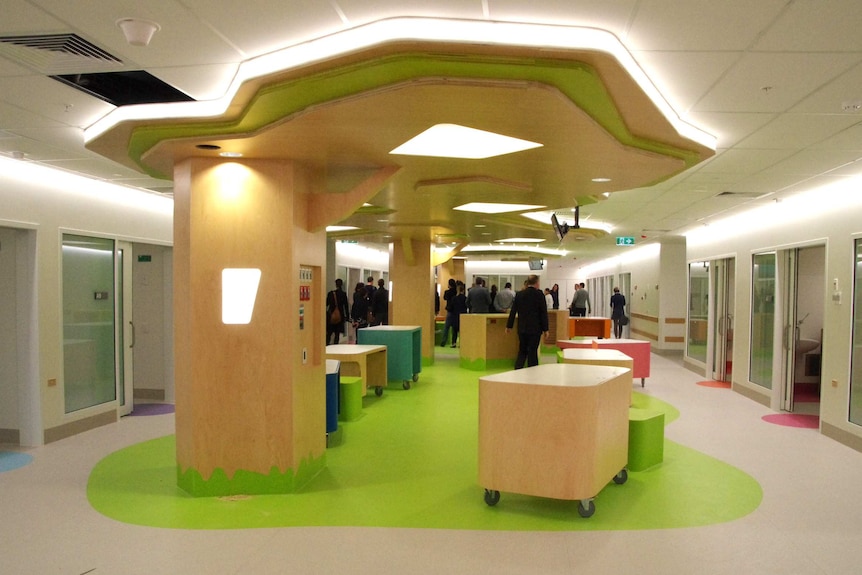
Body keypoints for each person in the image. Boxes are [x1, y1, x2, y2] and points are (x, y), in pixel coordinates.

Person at [506, 274, 549, 369]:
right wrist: (546, 329)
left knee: (522, 350)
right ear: (537, 283)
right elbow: (543, 313)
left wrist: (509, 326)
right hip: (535, 329)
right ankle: (532, 374)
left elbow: (513, 311)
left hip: (522, 328)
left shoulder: (519, 295)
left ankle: (518, 370)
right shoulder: (540, 295)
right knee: (532, 352)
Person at [326, 278, 350, 345]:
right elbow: (346, 306)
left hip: (331, 315)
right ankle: (335, 345)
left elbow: (326, 304)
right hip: (340, 316)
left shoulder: (330, 294)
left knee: (329, 332)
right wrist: (347, 316)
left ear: (335, 284)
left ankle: (326, 345)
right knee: (337, 333)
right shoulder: (343, 294)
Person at [439, 278, 458, 346]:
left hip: (449, 311)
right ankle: (453, 342)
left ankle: (443, 342)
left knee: (446, 327)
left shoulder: (447, 292)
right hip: (456, 312)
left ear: (449, 284)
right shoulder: (456, 292)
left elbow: (444, 298)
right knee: (454, 328)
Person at [450, 282, 468, 347]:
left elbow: (451, 307)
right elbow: (467, 305)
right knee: (462, 331)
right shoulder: (465, 298)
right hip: (463, 315)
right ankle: (462, 343)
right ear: (463, 290)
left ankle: (454, 343)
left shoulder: (454, 298)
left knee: (454, 331)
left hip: (455, 315)